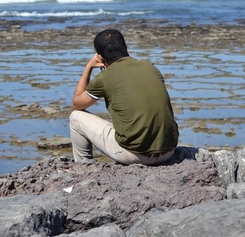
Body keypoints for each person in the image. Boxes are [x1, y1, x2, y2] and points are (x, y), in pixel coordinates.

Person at [70, 28, 179, 165]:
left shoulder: (105, 77)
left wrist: (89, 67)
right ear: (125, 47)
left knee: (76, 117)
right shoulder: (150, 67)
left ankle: (83, 166)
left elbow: (77, 104)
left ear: (100, 57)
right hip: (168, 151)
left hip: (135, 154)